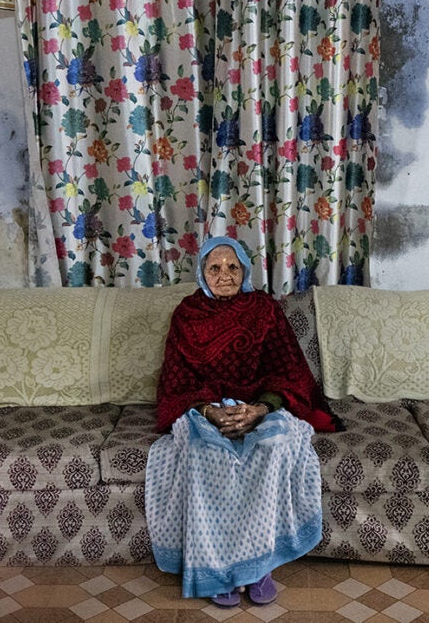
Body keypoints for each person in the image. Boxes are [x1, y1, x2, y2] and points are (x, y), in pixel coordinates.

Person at [146, 236, 341, 609]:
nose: (224, 275)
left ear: (245, 271)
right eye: (214, 268)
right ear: (202, 274)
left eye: (232, 267)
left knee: (273, 447)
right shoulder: (188, 314)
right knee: (207, 453)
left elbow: (288, 373)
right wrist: (210, 411)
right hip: (203, 408)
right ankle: (217, 568)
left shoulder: (264, 309)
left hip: (259, 406)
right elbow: (176, 382)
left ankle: (258, 566)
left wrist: (260, 410)